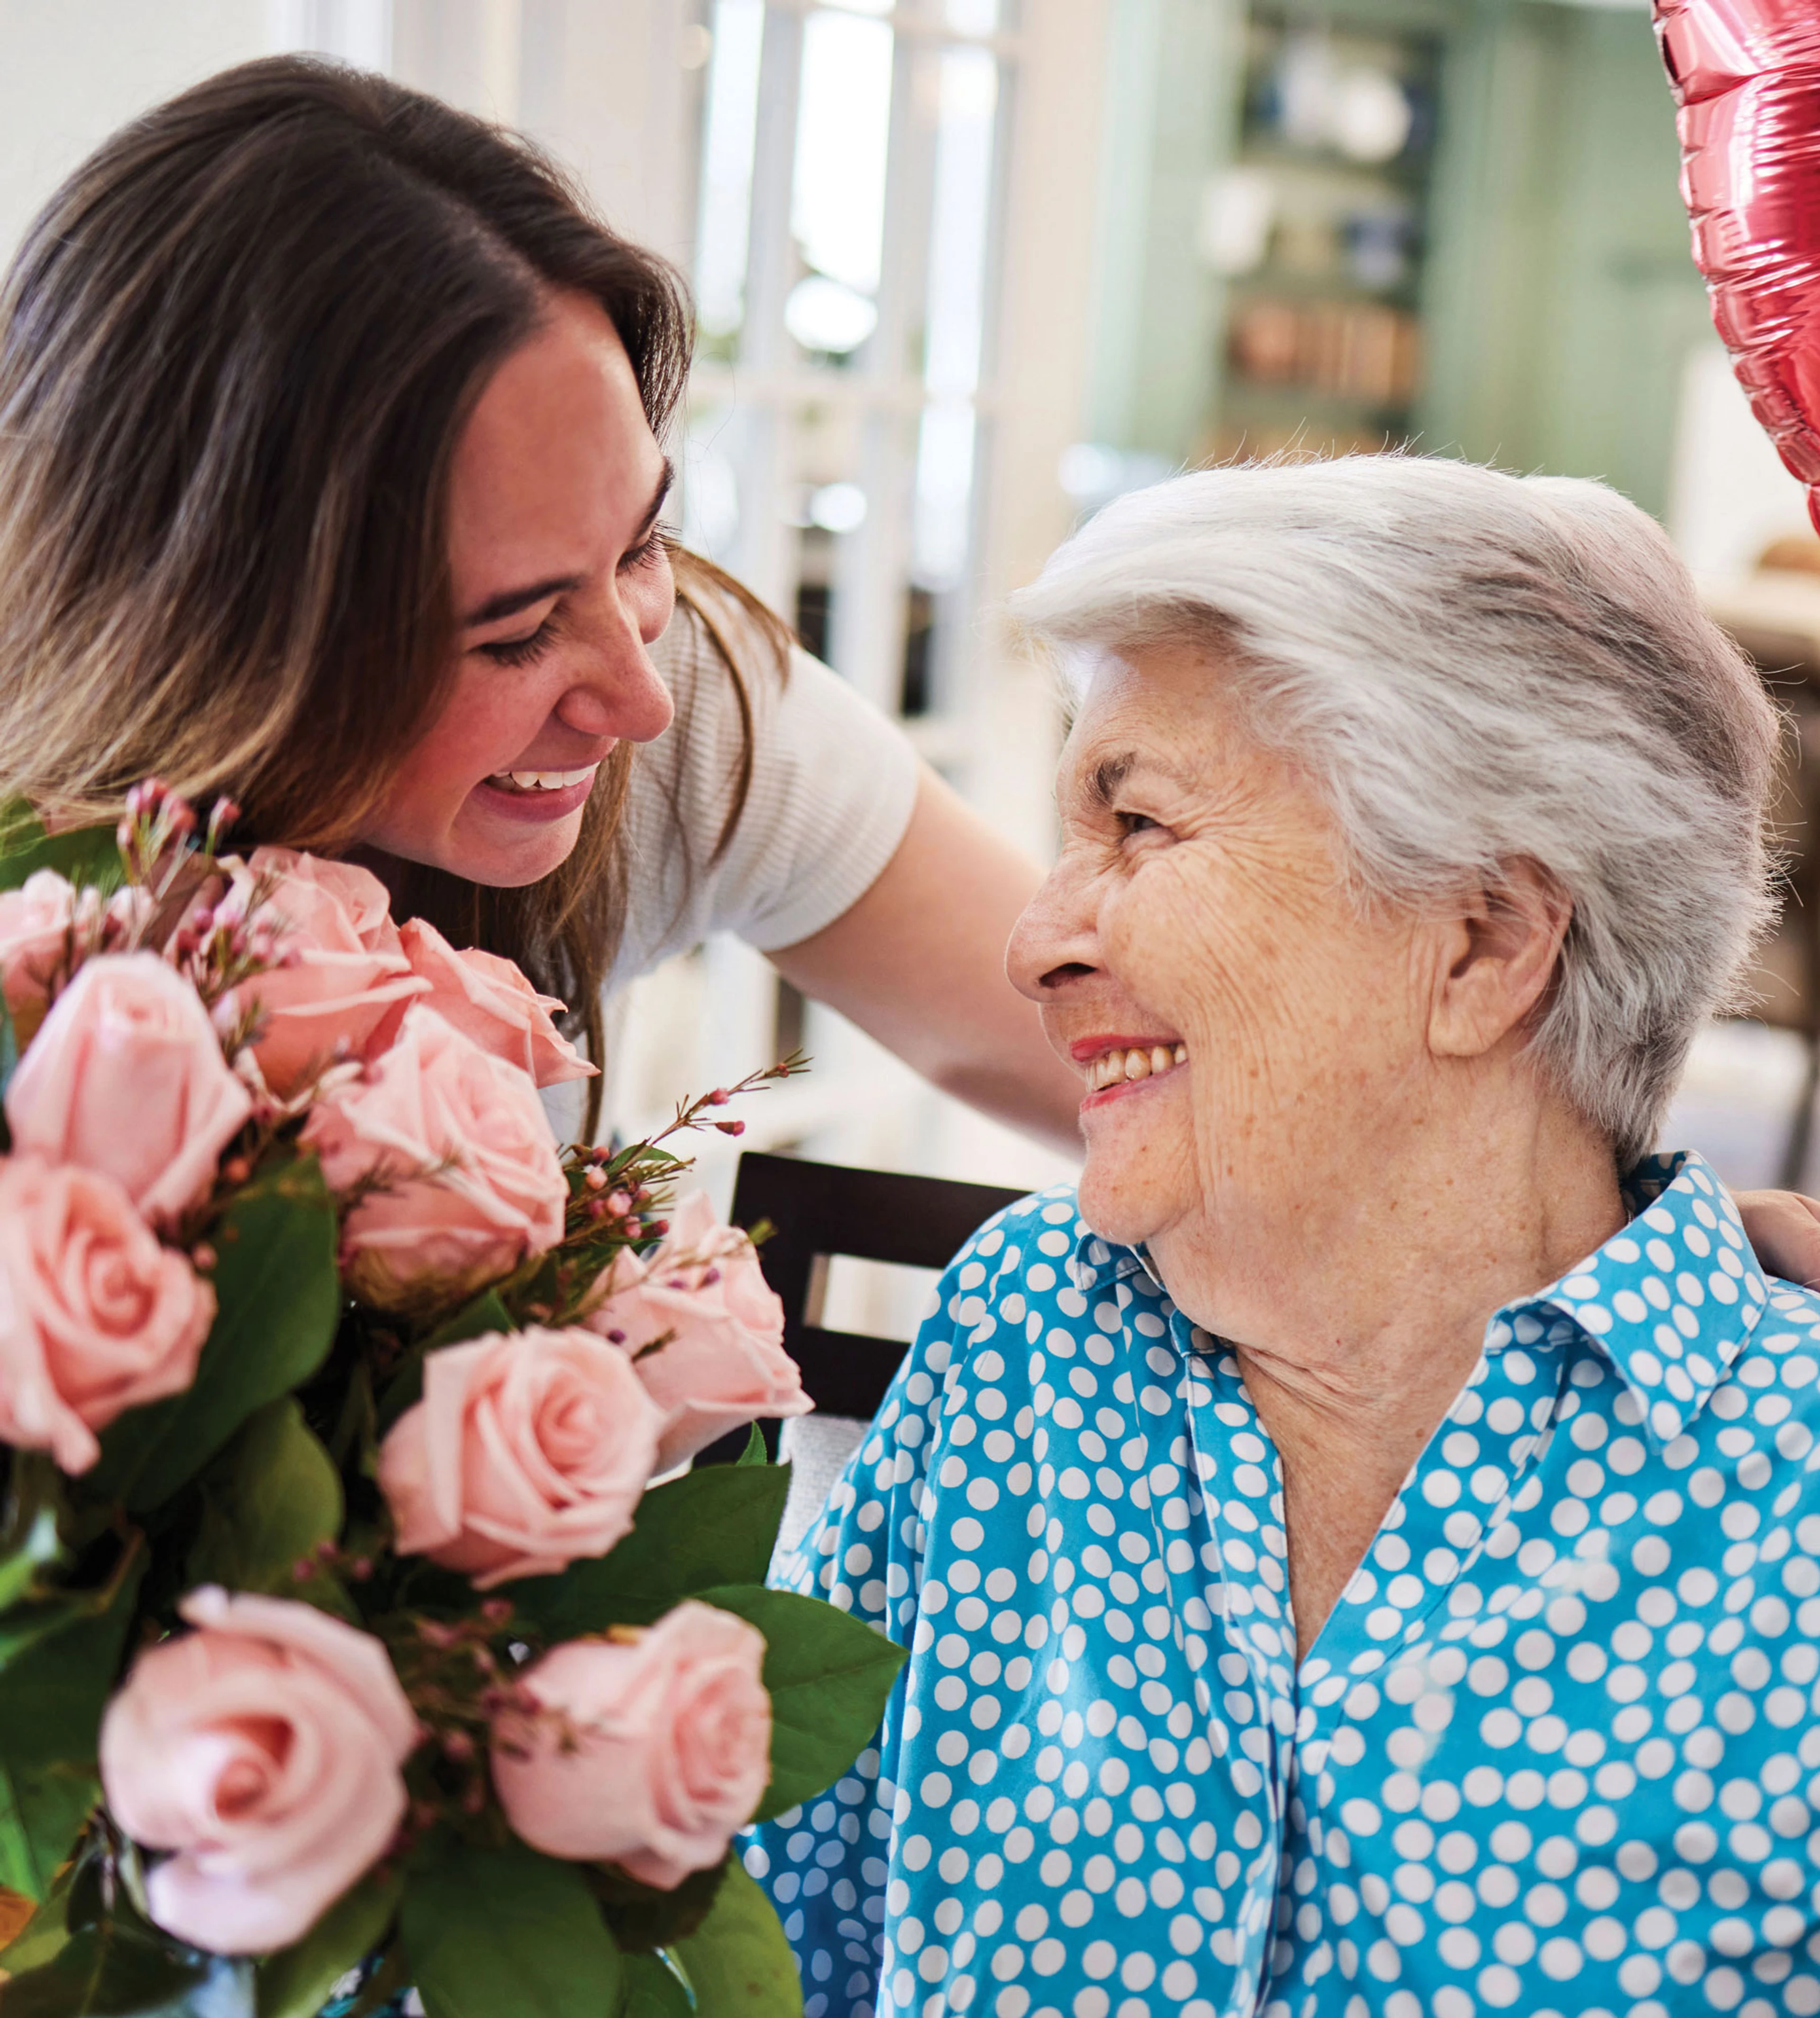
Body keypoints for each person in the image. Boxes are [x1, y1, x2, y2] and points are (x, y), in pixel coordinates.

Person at [0, 51, 1814, 1270]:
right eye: (507, 627)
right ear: (222, 644)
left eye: (638, 544)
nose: (632, 685)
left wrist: (1672, 1240)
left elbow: (1096, 1035)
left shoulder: (681, 709)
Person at [747, 457, 1820, 2017]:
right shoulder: (1027, 1342)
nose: (1035, 939)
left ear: (1484, 941)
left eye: (1139, 824)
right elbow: (771, 1963)